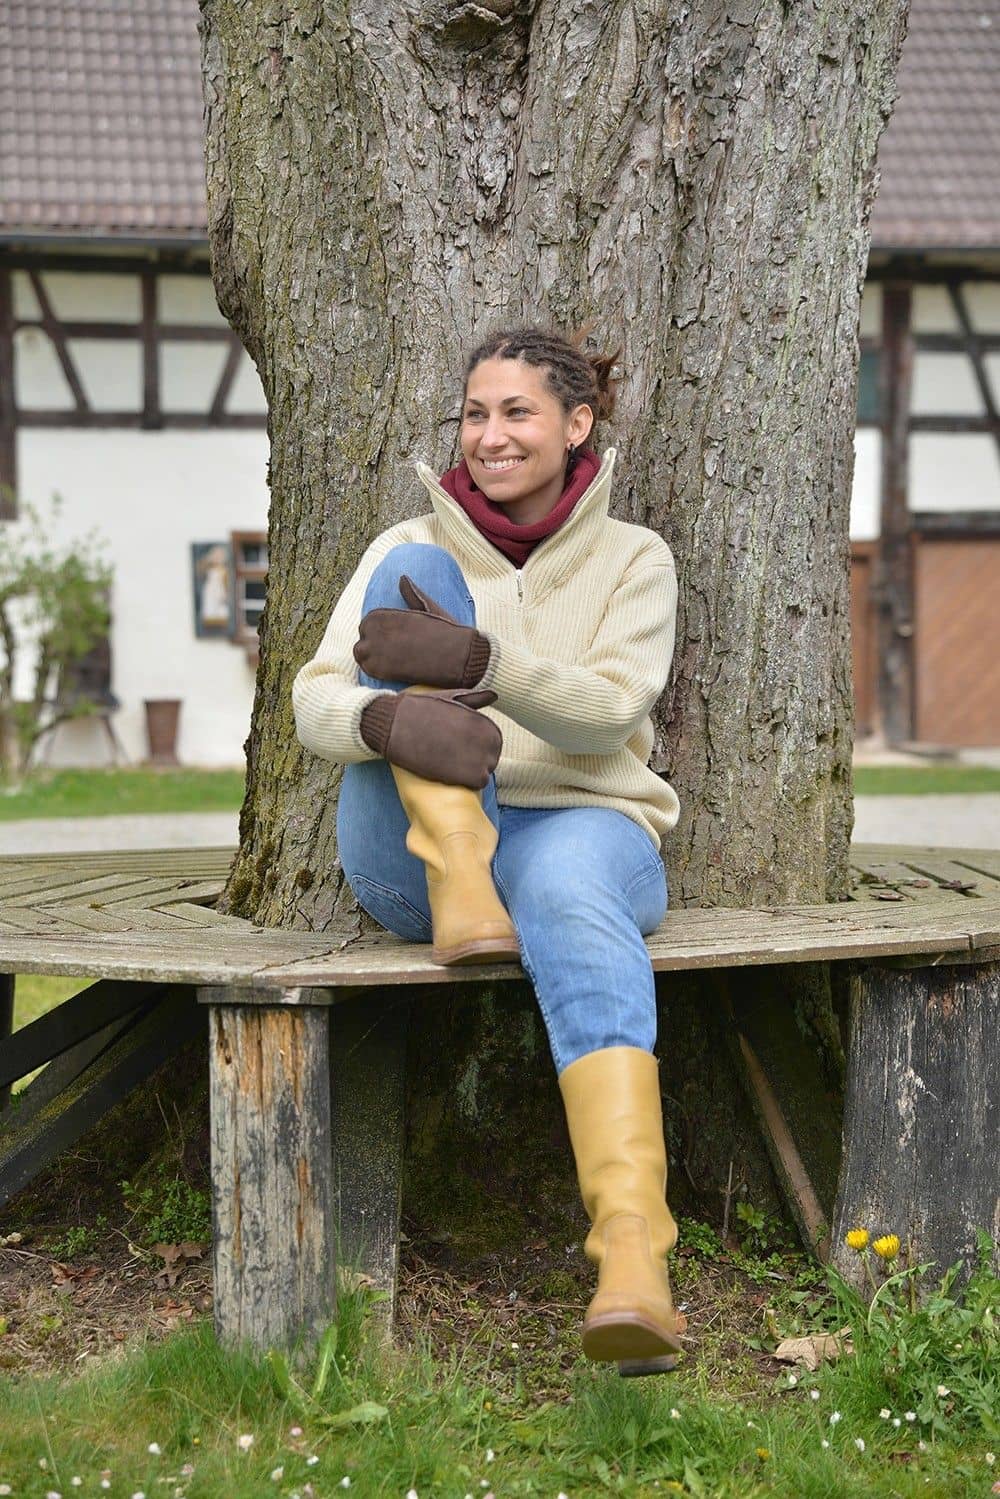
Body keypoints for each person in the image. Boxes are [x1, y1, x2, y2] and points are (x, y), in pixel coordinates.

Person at [292, 323, 685, 1367]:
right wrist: (382, 723)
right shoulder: (402, 547)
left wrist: (485, 663)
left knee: (566, 895)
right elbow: (313, 699)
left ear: (576, 422)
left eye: (516, 411)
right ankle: (463, 876)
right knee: (414, 568)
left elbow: (608, 712)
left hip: (581, 824)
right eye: (475, 411)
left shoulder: (633, 557)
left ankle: (633, 1253)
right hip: (419, 854)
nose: (490, 433)